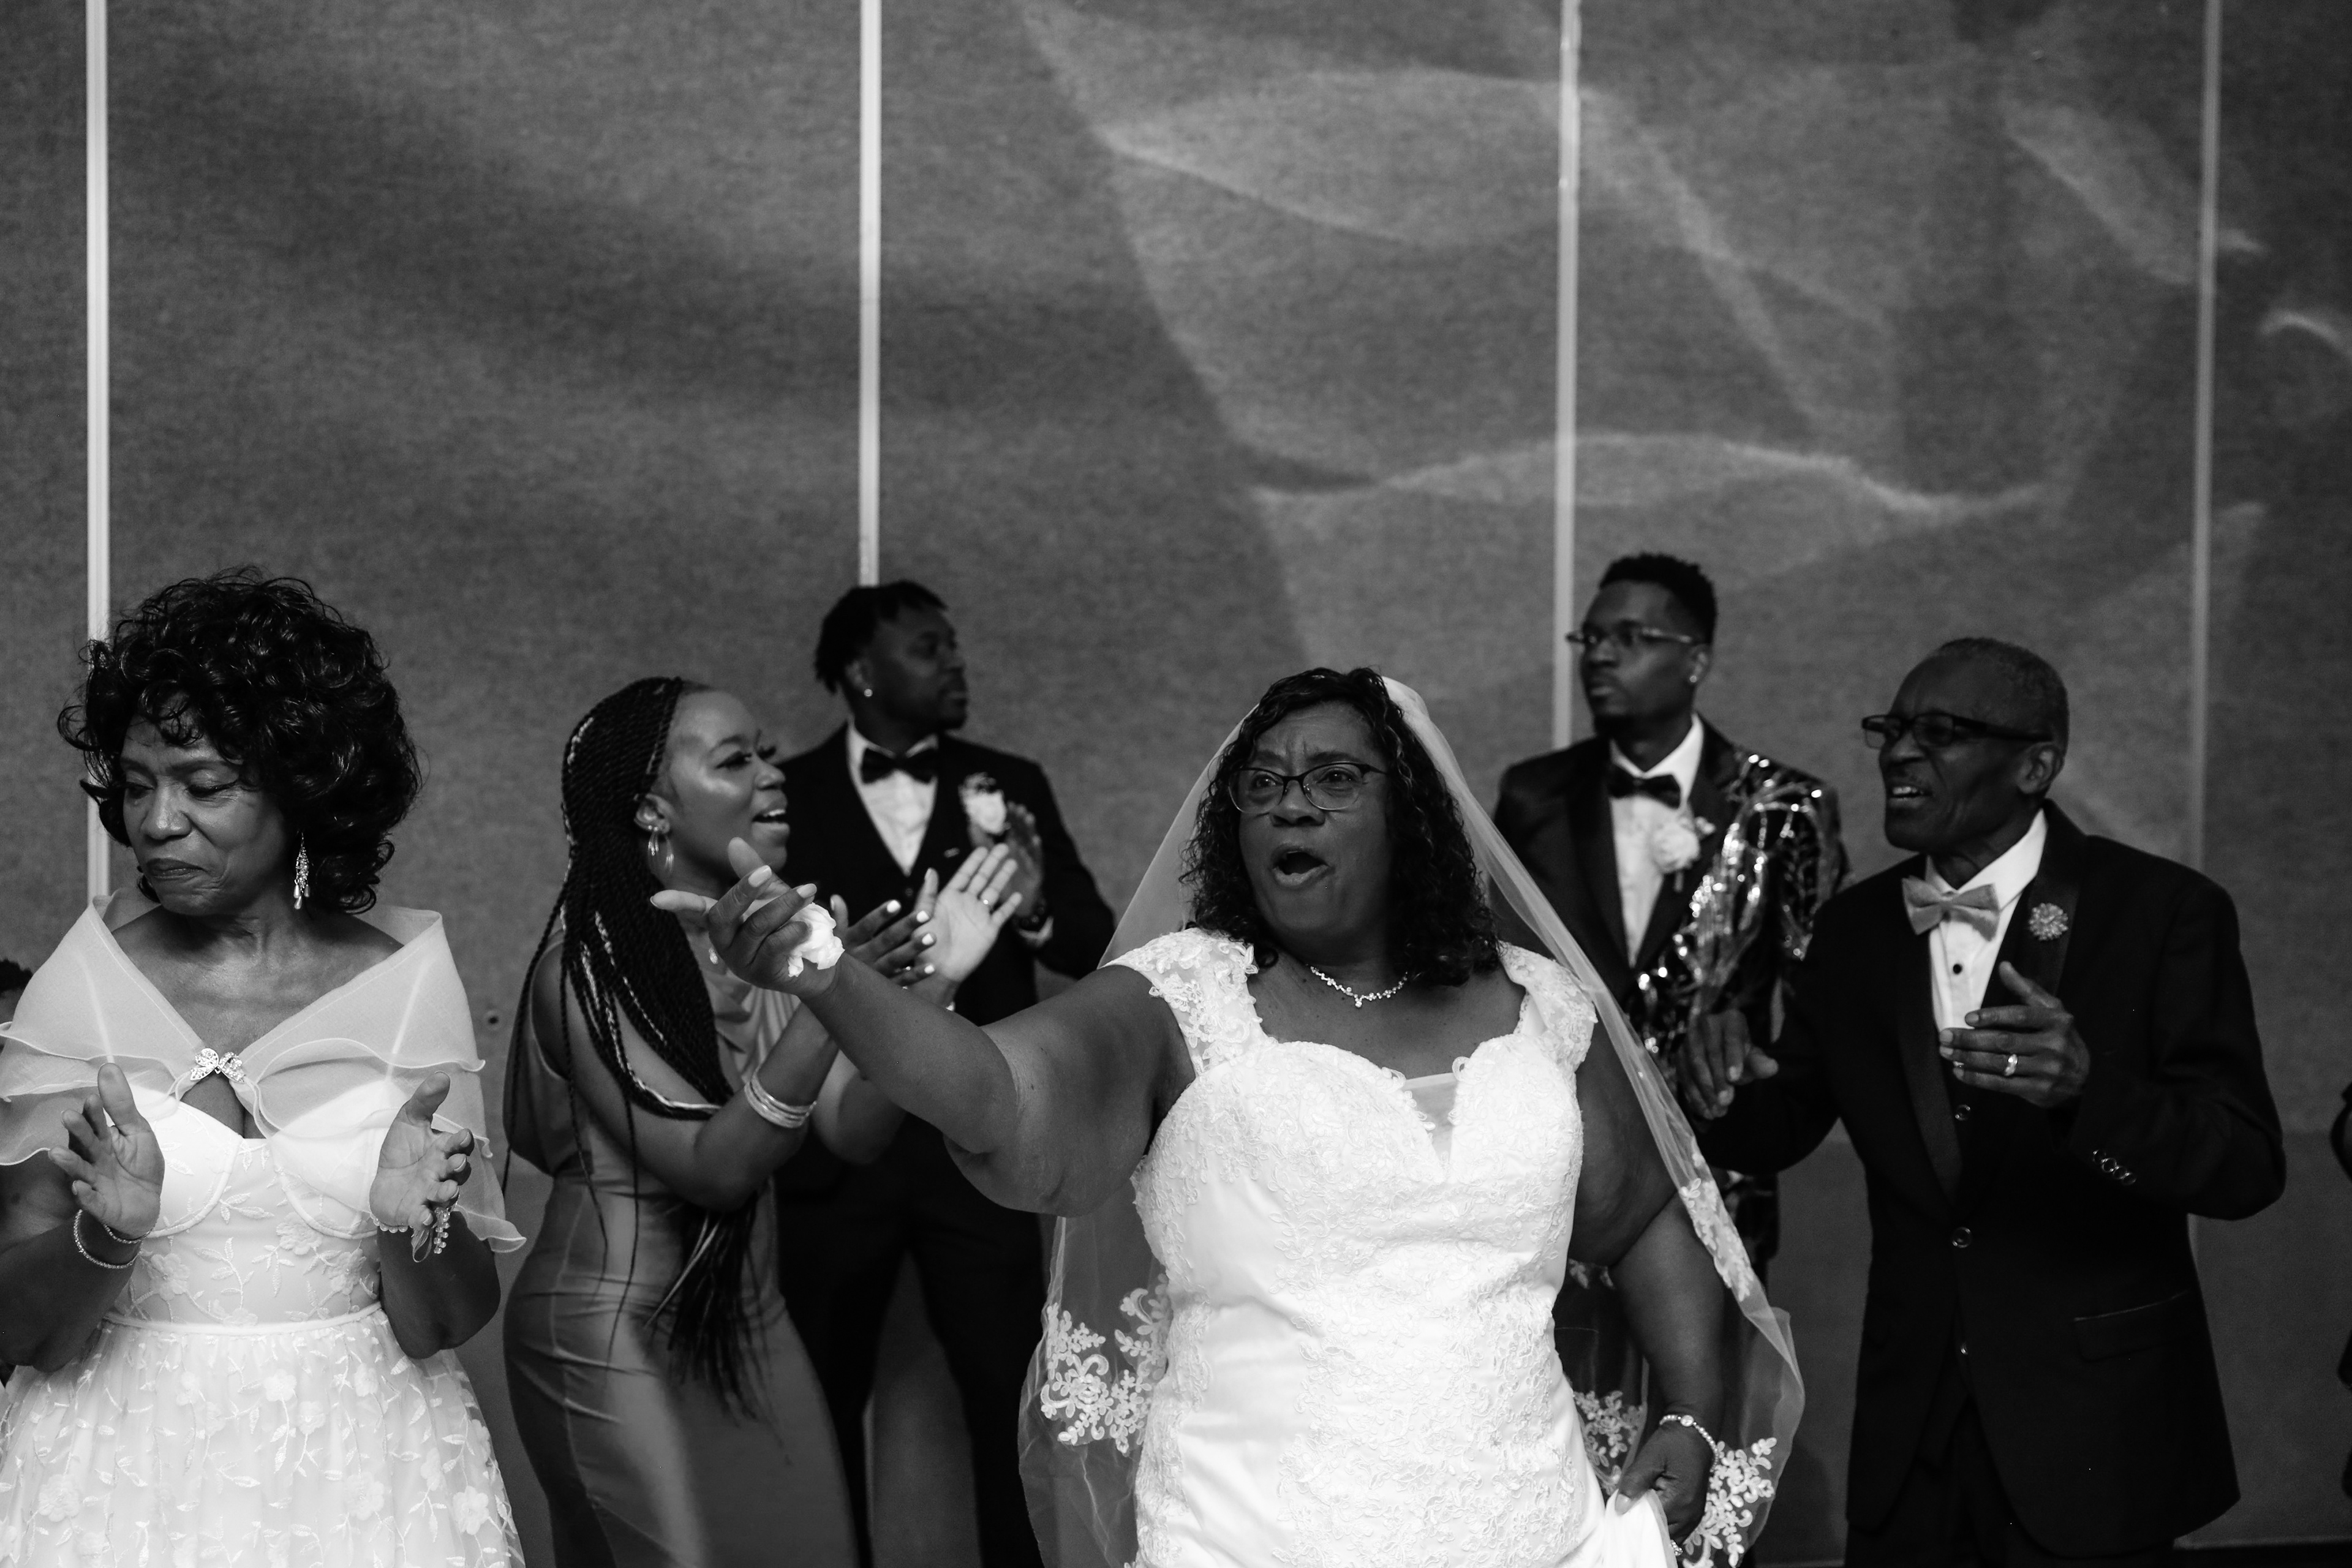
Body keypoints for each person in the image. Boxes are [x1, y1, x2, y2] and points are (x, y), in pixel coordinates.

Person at [669, 668, 1805, 1568]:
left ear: (1413, 815)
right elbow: (994, 1093)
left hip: (1534, 1529)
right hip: (1253, 1534)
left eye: (1333, 778)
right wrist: (825, 970)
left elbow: (1641, 1215)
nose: (1290, 803)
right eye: (1261, 785)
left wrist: (1693, 1413)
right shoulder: (1177, 999)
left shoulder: (1538, 1005)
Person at [1679, 638, 2285, 1567]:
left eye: (1940, 732)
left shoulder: (2164, 911)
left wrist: (2088, 1095)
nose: (1899, 752)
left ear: (2035, 765)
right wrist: (1721, 1084)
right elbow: (1781, 1127)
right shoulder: (1854, 929)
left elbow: (2245, 1166)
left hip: (2095, 1427)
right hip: (1912, 1427)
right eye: (1893, 728)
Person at [0, 569, 521, 1562]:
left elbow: (448, 1321)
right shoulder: (87, 985)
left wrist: (409, 1223)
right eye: (139, 783)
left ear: (302, 786)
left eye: (203, 785)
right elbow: (22, 1332)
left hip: (363, 1473)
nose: (158, 821)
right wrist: (106, 1237)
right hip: (122, 1476)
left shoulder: (407, 984)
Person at [501, 676, 1025, 1568]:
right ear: (651, 809)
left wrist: (936, 981)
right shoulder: (586, 966)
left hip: (752, 1327)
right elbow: (716, 1169)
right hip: (615, 1335)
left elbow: (853, 1130)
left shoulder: (780, 948)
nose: (773, 776)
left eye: (770, 755)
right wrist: (827, 994)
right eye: (736, 760)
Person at [771, 581, 1116, 1568]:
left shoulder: (1011, 785)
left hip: (981, 1145)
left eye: (952, 646)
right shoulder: (787, 794)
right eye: (929, 648)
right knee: (822, 1402)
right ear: (860, 673)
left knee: (1012, 1397)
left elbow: (1092, 941)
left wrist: (1035, 907)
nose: (955, 663)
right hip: (840, 1151)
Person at [1496, 553, 1844, 1278]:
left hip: (1720, 1177)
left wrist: (1749, 1090)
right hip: (1563, 1176)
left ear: (1696, 660)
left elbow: (1817, 1007)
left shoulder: (1782, 808)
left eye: (1630, 637)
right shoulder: (1534, 795)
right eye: (1591, 637)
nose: (1601, 655)